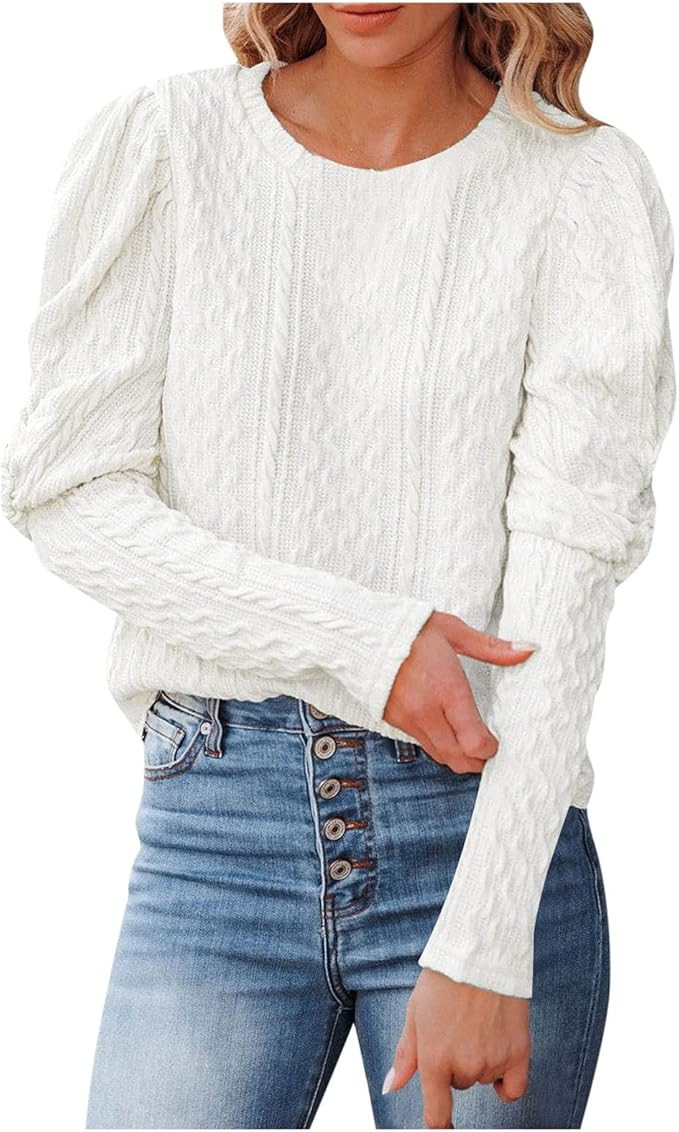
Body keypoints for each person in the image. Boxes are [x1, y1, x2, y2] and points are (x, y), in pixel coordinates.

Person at [1, 2, 674, 1128]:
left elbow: (570, 574)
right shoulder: (167, 145)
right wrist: (365, 642)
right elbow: (67, 490)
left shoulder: (578, 185)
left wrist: (486, 932)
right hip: (217, 833)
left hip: (480, 829)